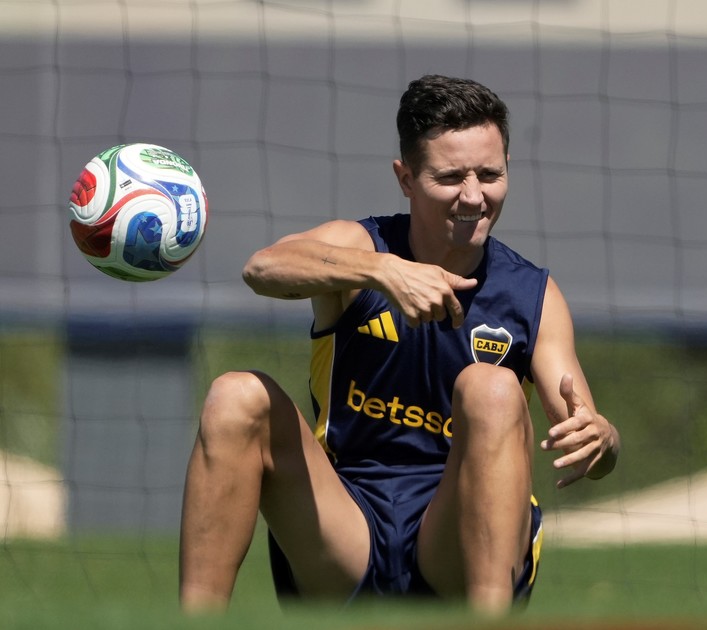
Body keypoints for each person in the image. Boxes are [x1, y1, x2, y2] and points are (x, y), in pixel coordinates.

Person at [178, 74, 621, 615]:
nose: (474, 196)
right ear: (406, 178)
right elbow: (263, 268)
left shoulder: (534, 295)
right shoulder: (362, 248)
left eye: (490, 174)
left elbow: (591, 443)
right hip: (346, 522)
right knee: (234, 395)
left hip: (456, 539)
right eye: (450, 177)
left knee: (491, 388)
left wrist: (602, 439)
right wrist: (384, 271)